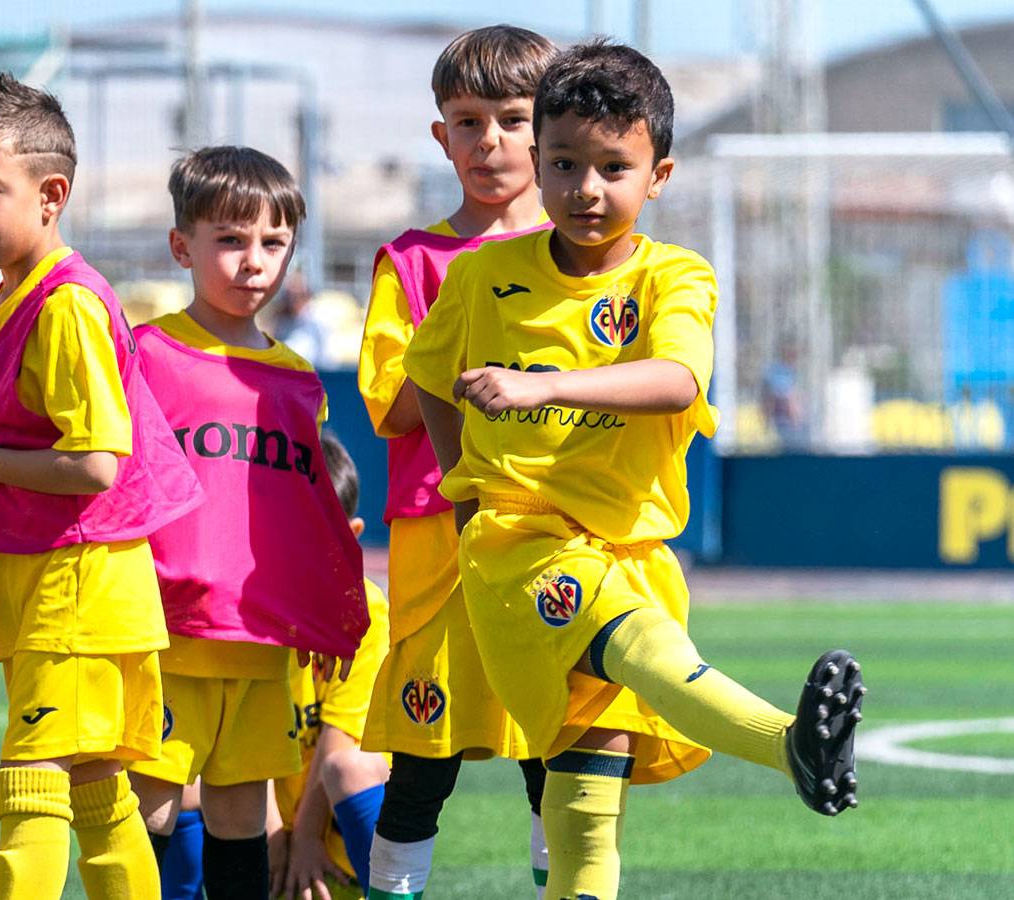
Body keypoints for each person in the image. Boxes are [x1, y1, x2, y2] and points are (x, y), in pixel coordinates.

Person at [406, 40, 863, 900]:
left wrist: (541, 388)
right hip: (521, 543)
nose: (586, 187)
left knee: (585, 829)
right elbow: (429, 381)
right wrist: (463, 486)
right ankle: (788, 744)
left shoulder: (675, 277)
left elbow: (678, 381)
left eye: (614, 166)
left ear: (658, 175)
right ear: (537, 165)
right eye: (565, 163)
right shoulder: (481, 276)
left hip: (634, 549)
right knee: (641, 645)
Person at [0, 71, 202, 900]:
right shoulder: (0, 307)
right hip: (53, 584)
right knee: (96, 790)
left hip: (77, 591)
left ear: (51, 195)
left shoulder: (66, 306)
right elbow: (22, 454)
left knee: (31, 785)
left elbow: (94, 466)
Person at [121, 145, 367, 900]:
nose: (253, 261)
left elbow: (305, 516)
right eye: (229, 240)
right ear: (181, 246)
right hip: (168, 630)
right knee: (146, 807)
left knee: (237, 816)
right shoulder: (149, 353)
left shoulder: (298, 380)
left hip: (260, 640)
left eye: (272, 241)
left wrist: (327, 619)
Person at [352, 24, 558, 899]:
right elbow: (394, 404)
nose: (491, 142)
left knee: (560, 761)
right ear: (441, 136)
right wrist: (476, 340)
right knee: (420, 767)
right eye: (468, 121)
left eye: (514, 119)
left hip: (554, 534)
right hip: (440, 543)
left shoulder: (585, 258)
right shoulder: (410, 260)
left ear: (551, 130)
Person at [268, 433, 393, 900]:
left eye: (313, 535)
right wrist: (274, 838)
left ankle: (377, 885)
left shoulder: (365, 609)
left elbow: (338, 742)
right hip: (263, 823)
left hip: (325, 830)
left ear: (353, 535)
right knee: (184, 778)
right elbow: (239, 743)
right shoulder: (246, 606)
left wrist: (304, 838)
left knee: (350, 769)